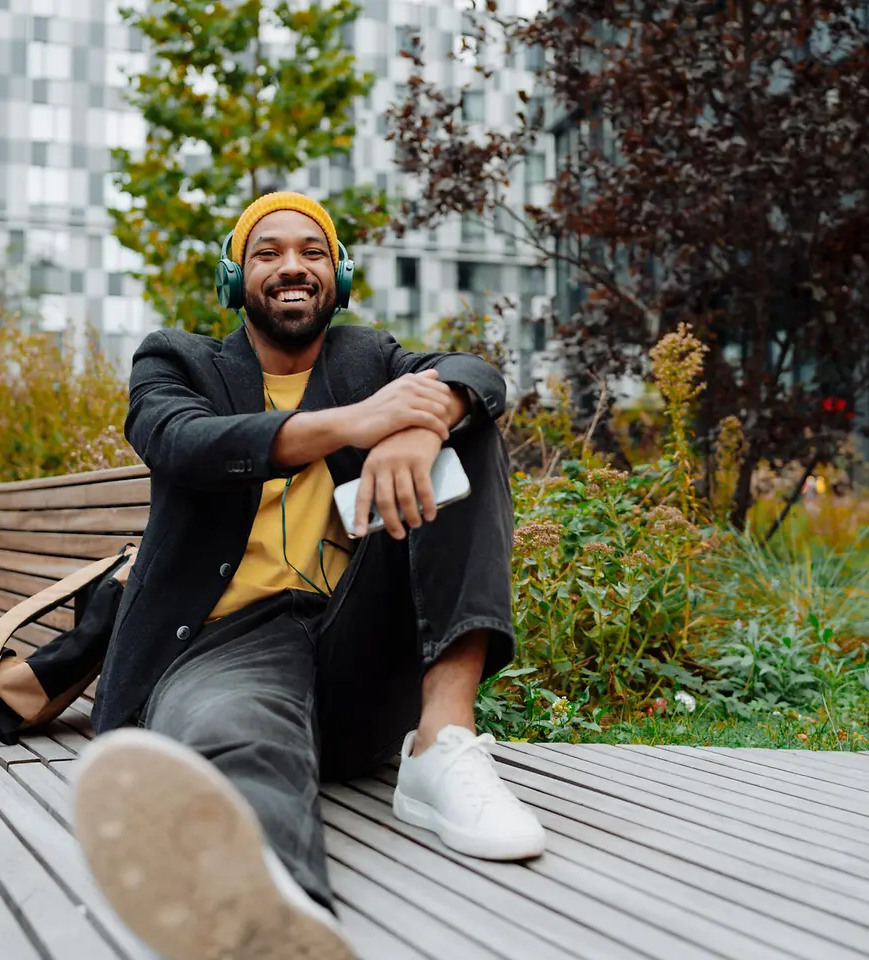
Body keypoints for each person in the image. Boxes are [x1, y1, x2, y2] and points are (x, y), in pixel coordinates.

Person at [72, 192, 545, 960]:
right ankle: (274, 913)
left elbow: (475, 374)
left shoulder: (369, 358)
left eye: (312, 251)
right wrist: (359, 425)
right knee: (236, 741)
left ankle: (443, 745)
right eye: (268, 252)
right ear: (236, 278)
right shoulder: (178, 360)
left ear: (338, 274)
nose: (293, 265)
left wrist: (421, 425)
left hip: (355, 643)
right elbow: (182, 440)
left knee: (468, 435)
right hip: (225, 646)